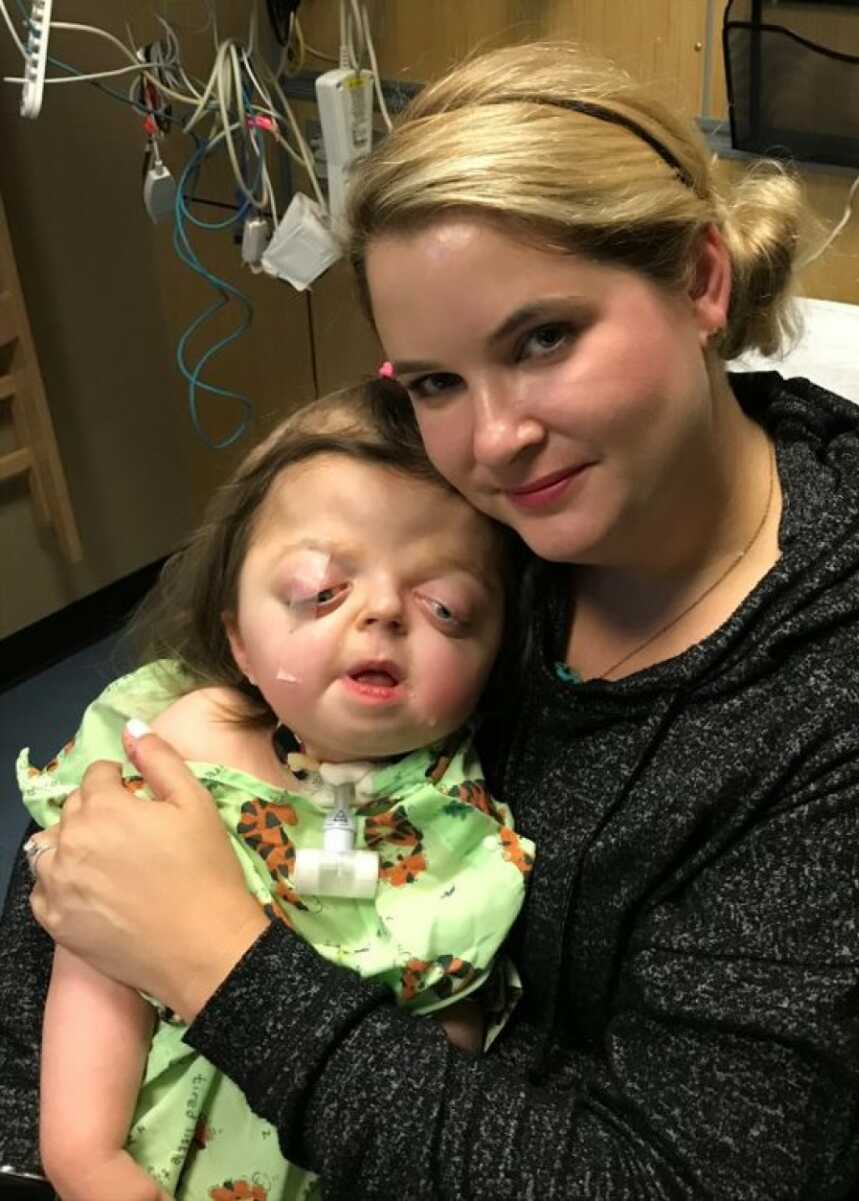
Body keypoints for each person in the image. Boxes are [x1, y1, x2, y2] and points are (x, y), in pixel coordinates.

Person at [3, 39, 859, 1200]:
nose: (492, 442)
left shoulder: (852, 701)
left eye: (544, 340)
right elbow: (141, 815)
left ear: (701, 281)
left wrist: (215, 956)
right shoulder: (473, 520)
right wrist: (51, 1128)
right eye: (435, 381)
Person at [12, 384, 533, 1201]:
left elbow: (440, 1079)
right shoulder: (179, 747)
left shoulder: (463, 828)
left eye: (446, 606)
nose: (383, 612)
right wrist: (87, 1160)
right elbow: (97, 945)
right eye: (322, 589)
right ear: (238, 637)